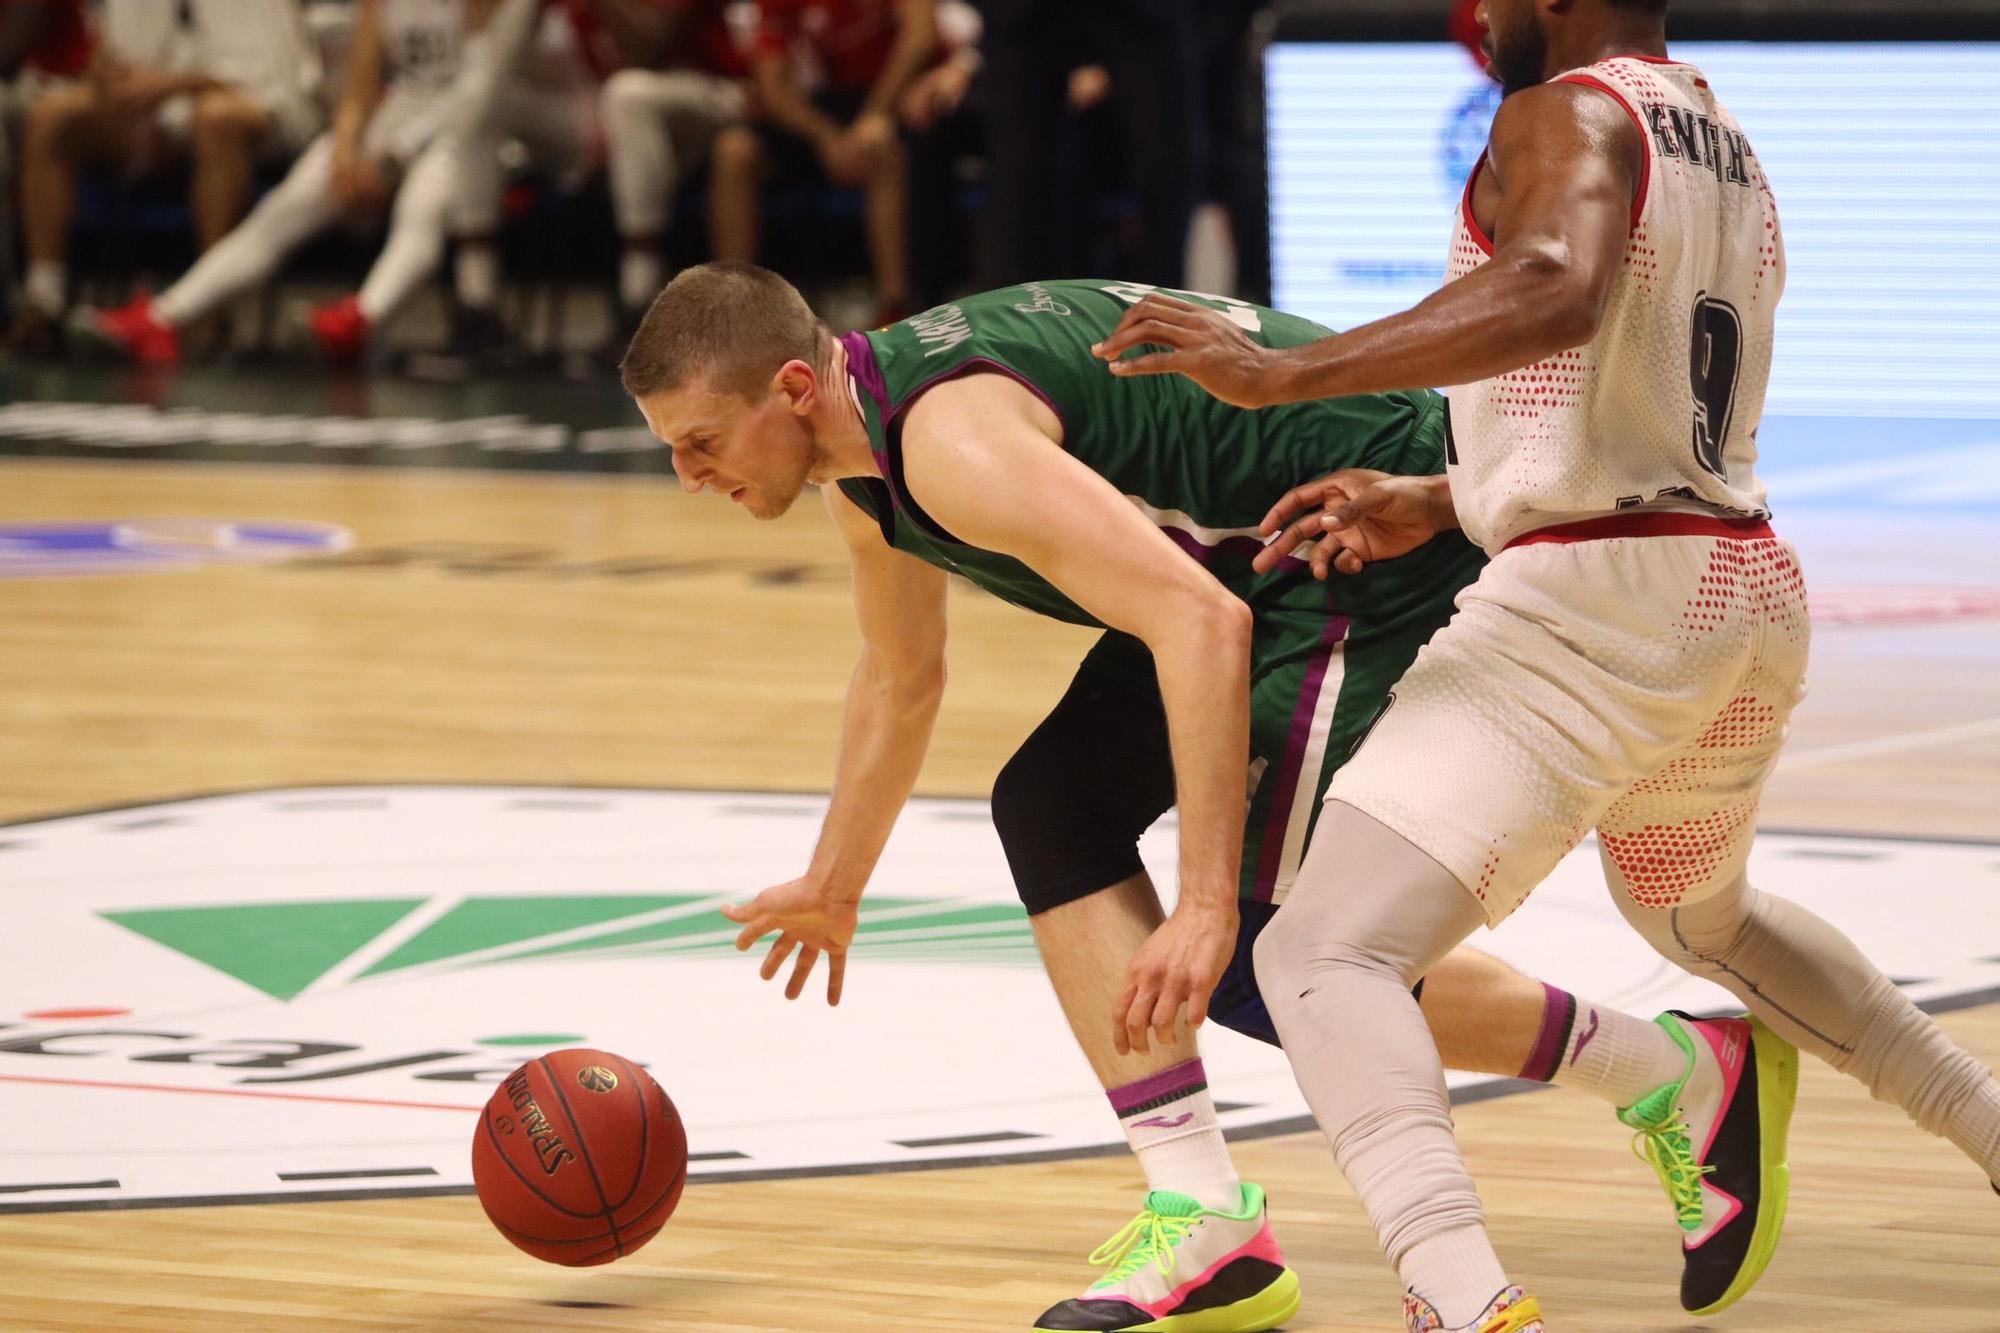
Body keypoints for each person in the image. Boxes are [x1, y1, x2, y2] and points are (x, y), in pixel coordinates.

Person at [619, 263, 1797, 1333]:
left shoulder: (950, 443)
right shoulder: (869, 460)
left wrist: (1199, 903)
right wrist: (834, 885)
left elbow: (1199, 623)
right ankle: (1205, 1221)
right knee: (1052, 806)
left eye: (700, 440)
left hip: (1359, 526)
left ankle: (1660, 1080)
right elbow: (898, 676)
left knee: (1268, 950)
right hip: (1238, 558)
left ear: (789, 386)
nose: (687, 475)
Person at [1089, 2, 2000, 1330]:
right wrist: (1448, 495)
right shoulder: (1723, 133)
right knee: (1701, 920)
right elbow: (1630, 393)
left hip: (1598, 613)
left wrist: (1280, 373)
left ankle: (1457, 1297)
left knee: (1318, 955)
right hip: (1733, 587)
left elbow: (1555, 287)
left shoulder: (1561, 109)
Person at [9, 0, 320, 353]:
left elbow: (269, 78)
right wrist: (109, 76)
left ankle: (207, 311)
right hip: (154, 117)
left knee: (216, 119)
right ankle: (44, 300)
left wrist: (171, 85)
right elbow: (112, 55)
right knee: (51, 117)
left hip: (255, 113)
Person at [713, 0, 936, 326]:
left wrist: (874, 114)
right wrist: (826, 137)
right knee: (734, 149)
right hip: (814, 114)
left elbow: (921, 39)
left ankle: (895, 305)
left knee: (880, 145)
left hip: (883, 99)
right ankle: (732, 309)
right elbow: (772, 86)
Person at [594, 0, 751, 339]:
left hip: (730, 89)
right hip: (652, 110)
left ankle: (639, 298)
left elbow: (649, 45)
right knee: (625, 102)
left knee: (627, 93)